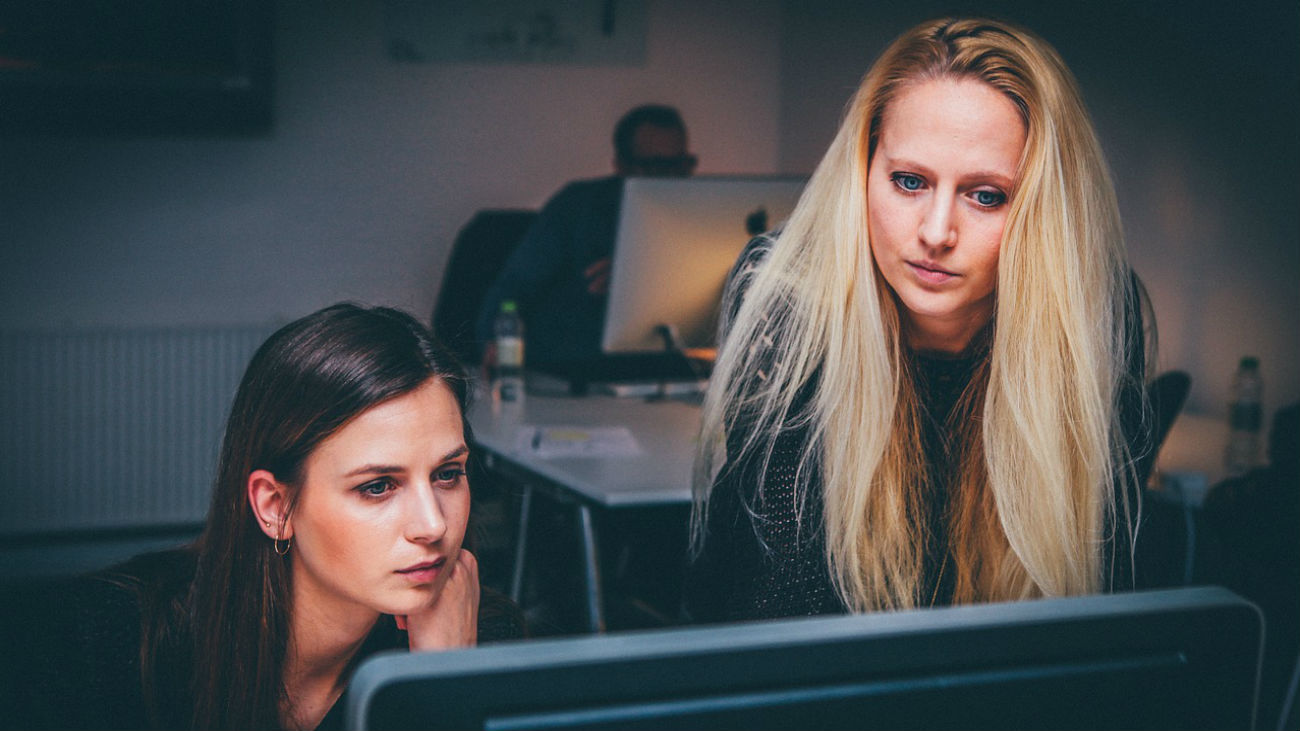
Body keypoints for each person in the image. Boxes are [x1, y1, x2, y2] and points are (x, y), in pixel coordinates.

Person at [685, 17, 1153, 623]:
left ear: (1044, 210)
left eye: (986, 195)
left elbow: (1091, 599)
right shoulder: (789, 296)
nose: (936, 233)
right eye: (909, 181)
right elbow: (790, 600)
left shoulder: (1097, 312)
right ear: (864, 171)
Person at [19, 304, 523, 730]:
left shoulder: (474, 638)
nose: (433, 525)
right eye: (377, 487)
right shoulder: (100, 643)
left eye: (447, 474)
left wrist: (441, 685)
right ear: (276, 507)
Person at [475, 103, 697, 367]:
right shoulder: (578, 207)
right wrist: (497, 345)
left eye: (681, 165)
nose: (671, 179)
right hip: (575, 368)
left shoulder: (697, 218)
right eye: (657, 167)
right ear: (621, 166)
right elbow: (515, 287)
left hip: (668, 369)